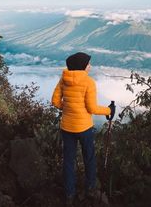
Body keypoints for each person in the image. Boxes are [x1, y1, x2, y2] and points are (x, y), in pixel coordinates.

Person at [51, 52, 116, 206]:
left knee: (68, 161)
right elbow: (92, 108)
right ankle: (90, 189)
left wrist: (67, 109)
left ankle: (69, 195)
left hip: (67, 127)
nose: (90, 66)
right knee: (89, 158)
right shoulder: (89, 82)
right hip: (84, 127)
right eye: (88, 64)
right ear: (82, 66)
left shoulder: (63, 79)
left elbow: (55, 101)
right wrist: (109, 110)